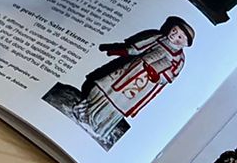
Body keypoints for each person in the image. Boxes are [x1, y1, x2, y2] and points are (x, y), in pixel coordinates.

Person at [45, 18, 194, 149]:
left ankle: (97, 126)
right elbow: (138, 48)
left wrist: (156, 75)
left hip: (142, 84)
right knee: (103, 87)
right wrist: (121, 50)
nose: (174, 35)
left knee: (117, 102)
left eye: (180, 37)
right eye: (174, 31)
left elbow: (170, 76)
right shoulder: (158, 38)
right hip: (128, 70)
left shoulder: (179, 59)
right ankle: (85, 110)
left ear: (185, 43)